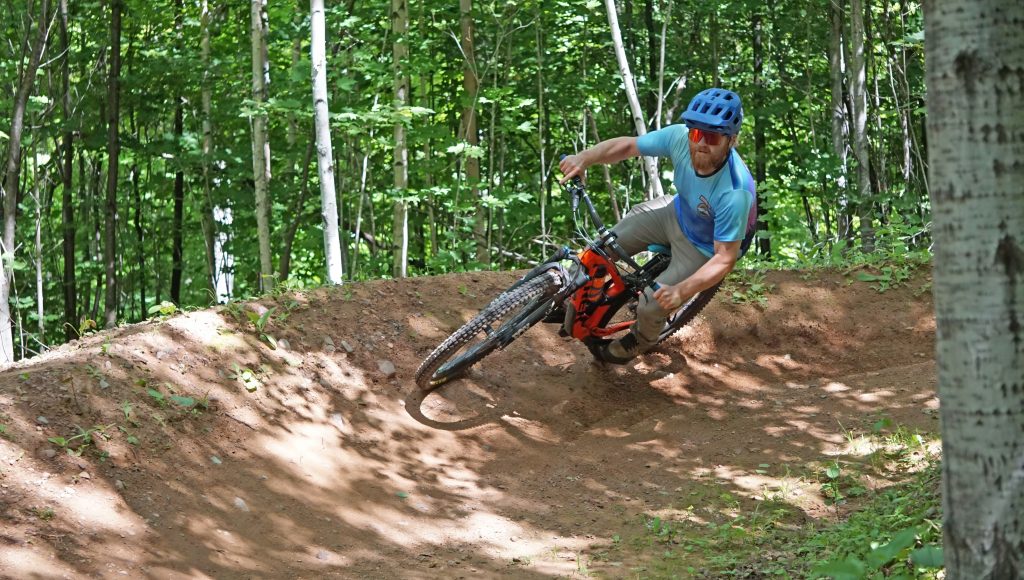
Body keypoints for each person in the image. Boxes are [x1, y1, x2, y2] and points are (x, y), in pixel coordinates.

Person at [558, 88, 757, 364]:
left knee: (652, 307)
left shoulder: (734, 192)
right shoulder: (679, 137)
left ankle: (640, 341)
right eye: (696, 134)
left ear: (731, 141)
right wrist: (585, 158)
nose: (700, 143)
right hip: (676, 212)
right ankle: (573, 298)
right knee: (601, 249)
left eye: (711, 137)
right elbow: (630, 145)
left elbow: (725, 259)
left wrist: (681, 292)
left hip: (704, 245)